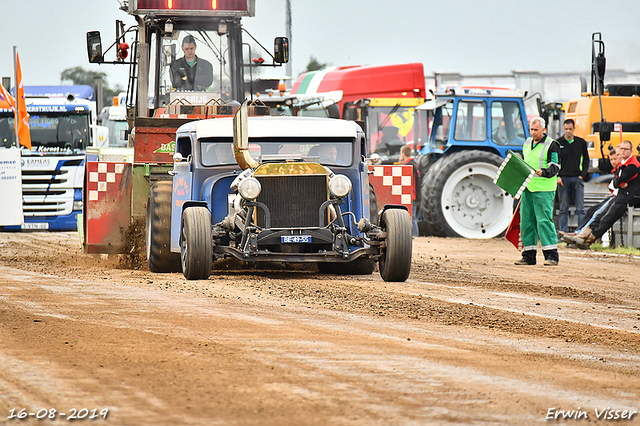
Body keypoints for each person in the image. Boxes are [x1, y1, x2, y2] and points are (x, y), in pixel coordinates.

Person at [569, 140, 640, 247]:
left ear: (631, 151)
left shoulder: (632, 165)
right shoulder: (624, 165)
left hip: (629, 198)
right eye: (622, 149)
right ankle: (581, 236)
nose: (623, 151)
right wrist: (618, 182)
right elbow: (617, 182)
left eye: (626, 149)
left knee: (606, 217)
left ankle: (587, 239)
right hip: (621, 196)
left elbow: (617, 182)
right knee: (598, 213)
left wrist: (618, 182)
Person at [515, 117, 561, 266]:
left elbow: (555, 166)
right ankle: (528, 255)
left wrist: (545, 172)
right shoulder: (527, 143)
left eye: (536, 130)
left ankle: (551, 256)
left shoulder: (552, 145)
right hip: (528, 188)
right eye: (531, 129)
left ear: (543, 130)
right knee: (527, 222)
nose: (533, 132)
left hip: (543, 189)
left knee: (544, 221)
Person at [561, 147, 620, 244]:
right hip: (613, 195)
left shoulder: (625, 168)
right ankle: (577, 233)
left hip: (619, 197)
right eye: (611, 159)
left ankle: (583, 237)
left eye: (615, 159)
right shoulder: (616, 170)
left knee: (599, 214)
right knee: (591, 211)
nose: (613, 162)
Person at [556, 118, 589, 232]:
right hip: (563, 178)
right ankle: (563, 233)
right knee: (563, 208)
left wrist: (582, 175)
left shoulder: (581, 143)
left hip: (576, 177)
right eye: (566, 129)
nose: (568, 131)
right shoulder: (558, 143)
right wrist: (557, 176)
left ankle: (580, 232)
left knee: (580, 208)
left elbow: (586, 159)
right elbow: (554, 161)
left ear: (574, 129)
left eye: (570, 129)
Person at [399, 145, 421, 237]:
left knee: (412, 217)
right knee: (413, 217)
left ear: (403, 154)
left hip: (412, 195)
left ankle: (415, 236)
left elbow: (407, 182)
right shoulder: (415, 163)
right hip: (417, 194)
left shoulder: (409, 166)